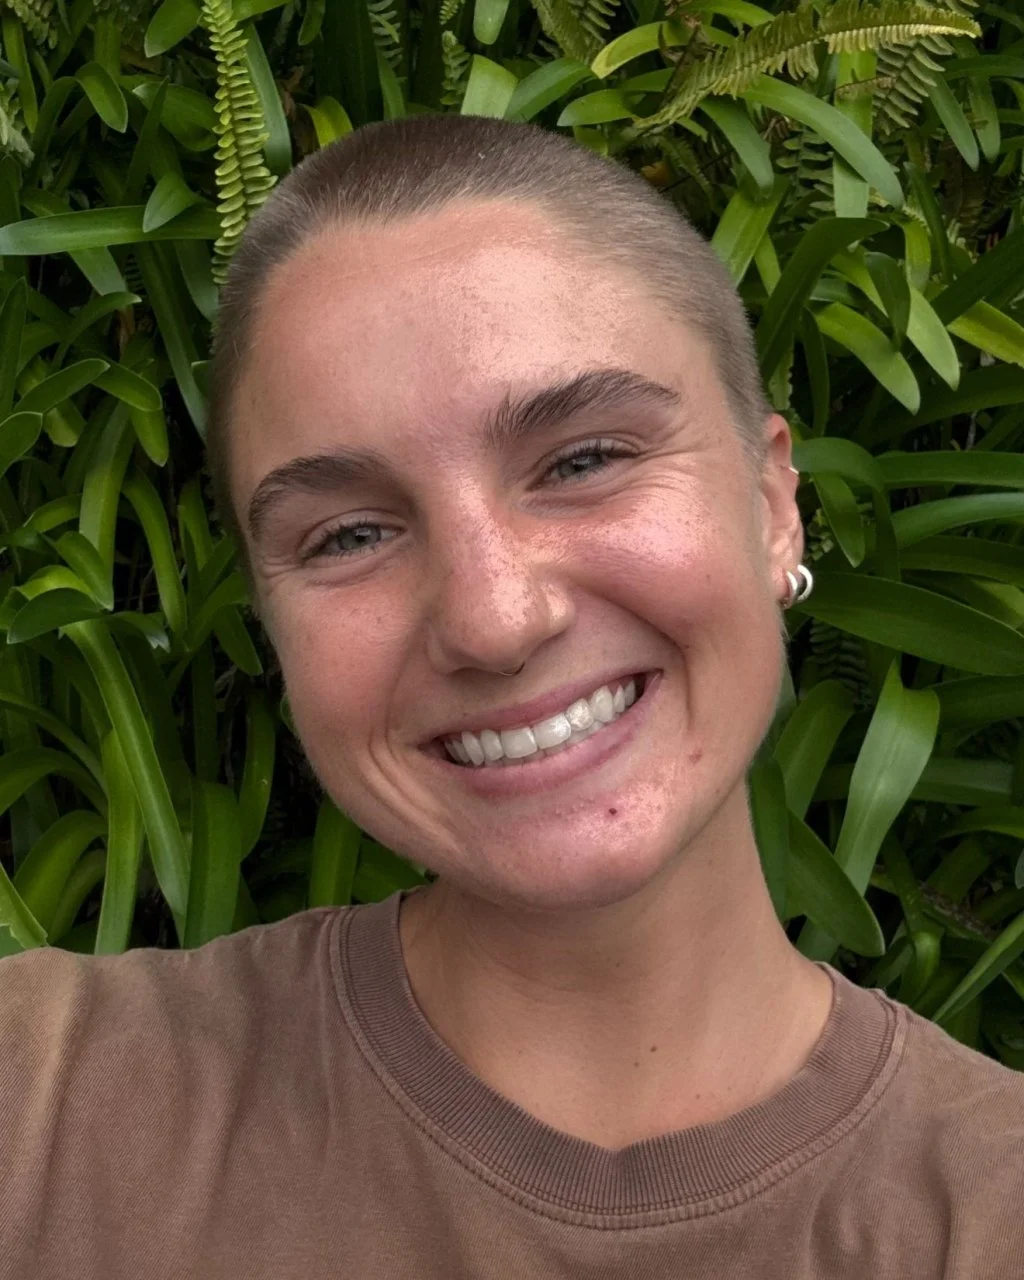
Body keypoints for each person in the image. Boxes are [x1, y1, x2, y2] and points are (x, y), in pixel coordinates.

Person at [1, 114, 1022, 1280]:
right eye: (350, 533)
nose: (493, 617)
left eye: (583, 459)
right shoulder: (47, 1105)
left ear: (771, 499)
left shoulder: (985, 1208)